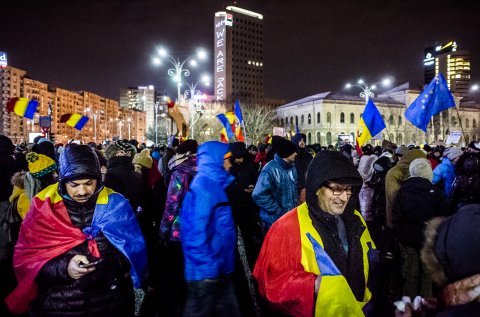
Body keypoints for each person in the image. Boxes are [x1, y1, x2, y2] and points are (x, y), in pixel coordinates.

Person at [3, 144, 147, 317]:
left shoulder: (116, 204)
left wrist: (108, 265)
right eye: (74, 184)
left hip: (111, 303)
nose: (82, 191)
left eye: (89, 183)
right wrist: (65, 268)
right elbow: (27, 262)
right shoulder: (43, 208)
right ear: (63, 181)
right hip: (59, 307)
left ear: (98, 179)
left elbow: (135, 253)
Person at [253, 151, 378, 317]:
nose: (344, 197)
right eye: (337, 189)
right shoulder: (287, 228)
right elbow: (270, 283)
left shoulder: (356, 220)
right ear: (317, 188)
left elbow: (372, 265)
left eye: (349, 190)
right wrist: (314, 285)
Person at [180, 141, 240, 317]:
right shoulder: (204, 189)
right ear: (215, 160)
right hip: (207, 273)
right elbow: (194, 234)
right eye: (226, 159)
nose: (230, 163)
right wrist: (208, 267)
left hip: (218, 269)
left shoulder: (213, 187)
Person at [392, 158, 449, 299]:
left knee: (409, 274)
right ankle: (425, 305)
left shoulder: (402, 191)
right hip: (428, 240)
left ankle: (409, 304)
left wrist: (399, 233)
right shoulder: (436, 192)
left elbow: (396, 216)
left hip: (407, 239)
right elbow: (443, 217)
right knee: (428, 275)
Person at [252, 139, 298, 231]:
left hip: (289, 219)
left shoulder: (292, 168)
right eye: (293, 151)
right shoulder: (269, 169)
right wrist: (278, 211)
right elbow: (258, 195)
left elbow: (295, 188)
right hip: (273, 222)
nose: (296, 154)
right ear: (286, 153)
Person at [292, 133, 314, 203]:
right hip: (297, 188)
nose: (302, 143)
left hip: (308, 187)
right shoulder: (293, 155)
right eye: (300, 140)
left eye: (304, 140)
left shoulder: (308, 155)